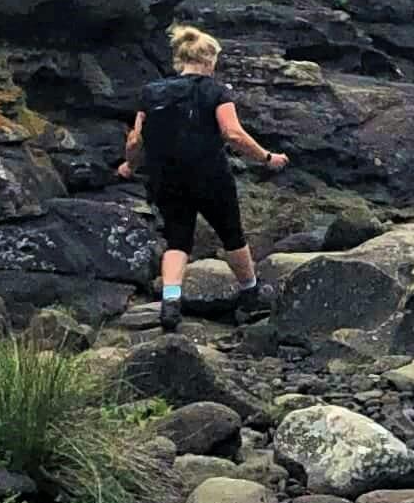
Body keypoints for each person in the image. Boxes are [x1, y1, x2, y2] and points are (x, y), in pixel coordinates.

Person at [119, 23, 291, 332]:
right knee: (231, 233)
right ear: (210, 59)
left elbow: (135, 141)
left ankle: (171, 302)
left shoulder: (152, 92)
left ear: (181, 58)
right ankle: (250, 294)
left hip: (166, 177)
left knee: (177, 238)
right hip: (210, 175)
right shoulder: (216, 91)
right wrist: (267, 157)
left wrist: (129, 167)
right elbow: (233, 134)